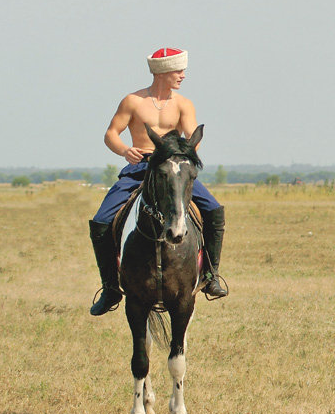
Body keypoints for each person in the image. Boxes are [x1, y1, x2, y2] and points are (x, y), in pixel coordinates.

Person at [87, 48, 229, 315]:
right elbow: (111, 134)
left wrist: (184, 160)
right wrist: (124, 151)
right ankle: (110, 288)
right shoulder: (133, 101)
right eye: (179, 71)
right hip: (141, 167)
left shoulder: (184, 104)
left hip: (173, 169)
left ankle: (211, 276)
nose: (183, 76)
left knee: (213, 210)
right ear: (163, 72)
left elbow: (191, 138)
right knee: (102, 220)